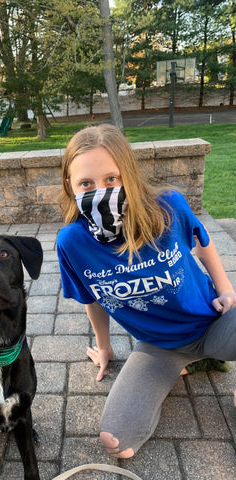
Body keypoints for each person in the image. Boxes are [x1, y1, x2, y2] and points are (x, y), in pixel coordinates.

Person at [56, 124, 236, 459]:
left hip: (215, 322)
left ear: (129, 173)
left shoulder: (168, 206)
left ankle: (209, 357)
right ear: (70, 185)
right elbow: (92, 299)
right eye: (86, 183)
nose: (101, 191)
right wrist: (105, 348)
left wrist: (226, 288)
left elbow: (203, 243)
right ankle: (192, 364)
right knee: (117, 445)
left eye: (112, 178)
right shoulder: (72, 242)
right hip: (159, 348)